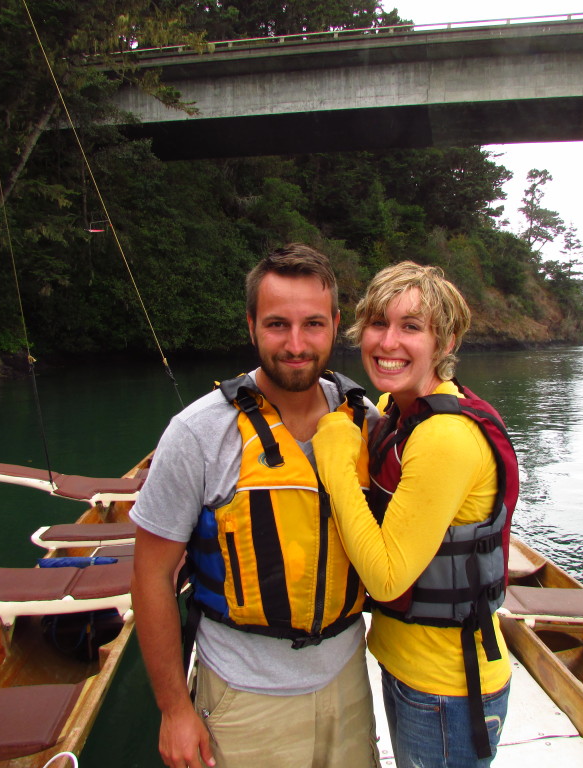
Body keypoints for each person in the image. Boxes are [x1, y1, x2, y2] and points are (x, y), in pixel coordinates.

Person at [130, 243, 381, 768]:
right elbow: (151, 577)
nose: (296, 344)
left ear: (336, 324)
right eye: (276, 325)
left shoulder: (367, 423)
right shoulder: (197, 434)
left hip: (349, 684)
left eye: (313, 324)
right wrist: (174, 710)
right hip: (242, 698)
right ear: (250, 326)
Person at [313, 261, 520, 767]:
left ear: (446, 343)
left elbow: (385, 579)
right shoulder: (400, 408)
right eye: (379, 324)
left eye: (412, 328)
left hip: (446, 690)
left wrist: (335, 462)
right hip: (410, 670)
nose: (388, 342)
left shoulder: (445, 437)